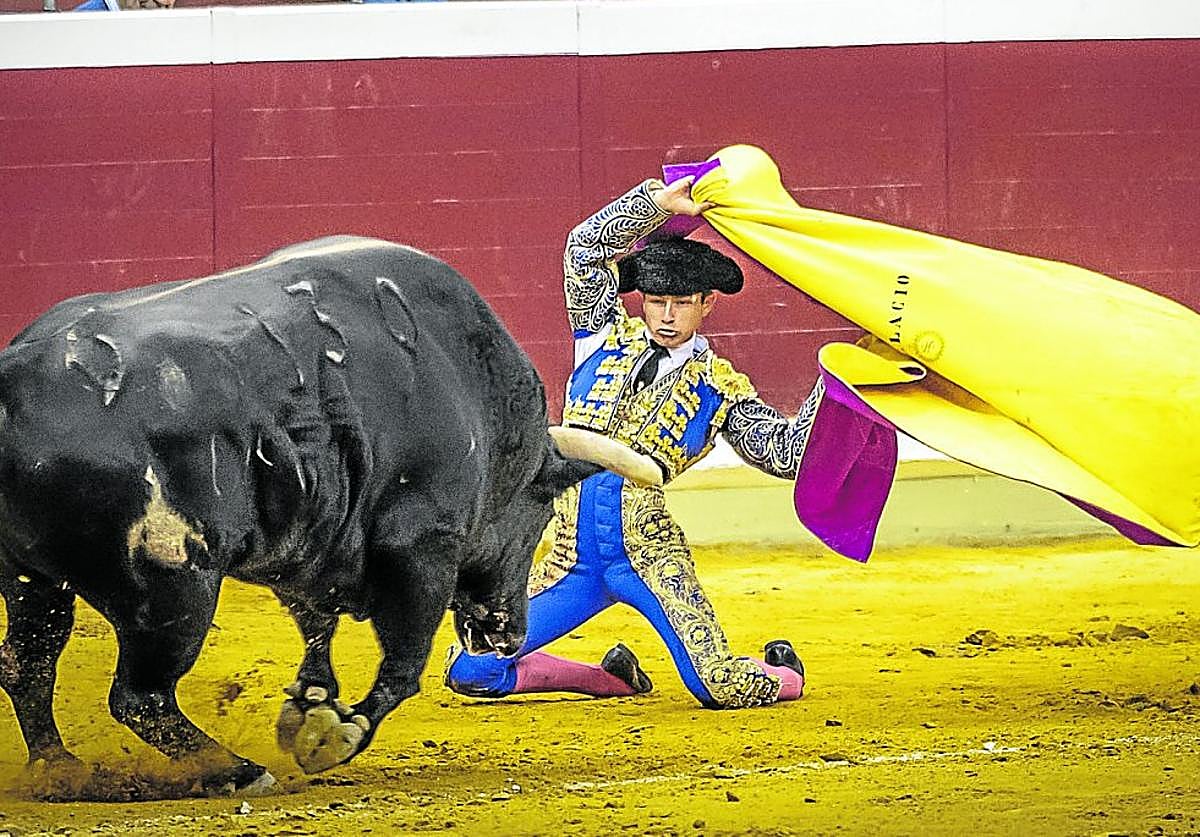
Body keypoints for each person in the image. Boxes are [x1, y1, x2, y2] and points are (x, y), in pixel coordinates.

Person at [445, 174, 820, 709]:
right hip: (572, 559)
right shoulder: (602, 338)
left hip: (648, 559)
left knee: (718, 686)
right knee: (474, 669)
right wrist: (657, 203)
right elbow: (584, 251)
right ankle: (610, 680)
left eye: (681, 303)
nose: (666, 315)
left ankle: (785, 675)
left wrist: (836, 387)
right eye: (656, 300)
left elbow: (787, 454)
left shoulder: (721, 386)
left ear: (707, 304)